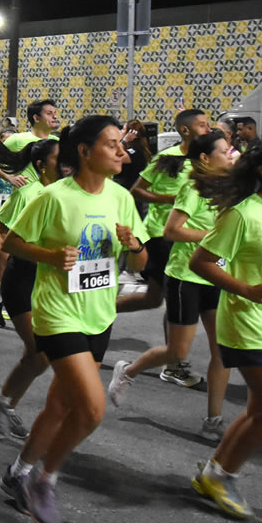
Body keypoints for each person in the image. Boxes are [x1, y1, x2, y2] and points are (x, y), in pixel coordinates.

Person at [0, 115, 148, 523]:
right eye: (113, 144)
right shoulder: (53, 197)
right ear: (83, 151)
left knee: (59, 406)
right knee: (92, 408)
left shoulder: (121, 198)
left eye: (122, 144)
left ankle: (18, 473)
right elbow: (10, 241)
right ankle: (46, 479)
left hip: (99, 313)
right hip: (57, 312)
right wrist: (49, 256)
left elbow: (140, 261)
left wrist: (133, 246)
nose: (123, 151)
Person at [185, 138, 262, 519]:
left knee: (260, 410)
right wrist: (245, 289)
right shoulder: (243, 215)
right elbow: (201, 262)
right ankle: (224, 475)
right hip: (246, 324)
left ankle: (213, 473)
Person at [108, 130, 235, 440]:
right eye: (224, 152)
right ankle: (128, 370)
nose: (230, 156)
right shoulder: (192, 188)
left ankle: (213, 421)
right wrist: (210, 238)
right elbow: (172, 231)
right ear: (205, 158)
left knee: (223, 351)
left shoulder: (228, 189)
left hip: (214, 273)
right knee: (178, 350)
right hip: (185, 276)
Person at [0, 137, 65, 441]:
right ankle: (3, 402)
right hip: (23, 280)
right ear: (42, 165)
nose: (67, 164)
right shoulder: (28, 193)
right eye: (59, 159)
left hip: (50, 284)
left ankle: (1, 401)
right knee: (40, 354)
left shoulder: (66, 193)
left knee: (38, 355)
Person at [119, 108, 210, 387]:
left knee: (153, 298)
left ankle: (95, 310)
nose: (208, 128)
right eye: (203, 125)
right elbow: (137, 190)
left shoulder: (205, 161)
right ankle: (174, 365)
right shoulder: (166, 159)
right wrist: (171, 199)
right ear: (185, 130)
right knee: (173, 299)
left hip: (189, 239)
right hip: (162, 236)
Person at [0, 99, 62, 326]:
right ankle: (3, 300)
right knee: (9, 259)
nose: (54, 116)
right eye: (49, 113)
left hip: (47, 201)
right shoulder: (19, 139)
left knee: (26, 261)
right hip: (25, 198)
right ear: (36, 118)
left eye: (55, 113)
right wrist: (9, 177)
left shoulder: (56, 142)